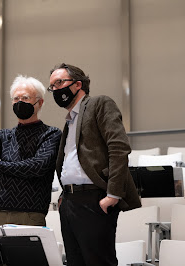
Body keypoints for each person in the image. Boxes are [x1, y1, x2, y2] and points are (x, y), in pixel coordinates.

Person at [48, 63, 141, 266]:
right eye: (52, 86)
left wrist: (112, 195)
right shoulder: (69, 120)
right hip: (70, 201)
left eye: (59, 83)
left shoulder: (99, 104)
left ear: (77, 84)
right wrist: (65, 197)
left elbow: (118, 147)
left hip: (94, 199)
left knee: (98, 261)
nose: (55, 90)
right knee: (75, 261)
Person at [0, 75, 62, 227]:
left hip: (30, 212)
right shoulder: (6, 134)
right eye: (15, 98)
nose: (19, 102)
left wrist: (1, 165)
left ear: (39, 102)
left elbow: (38, 166)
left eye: (25, 98)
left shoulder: (51, 134)